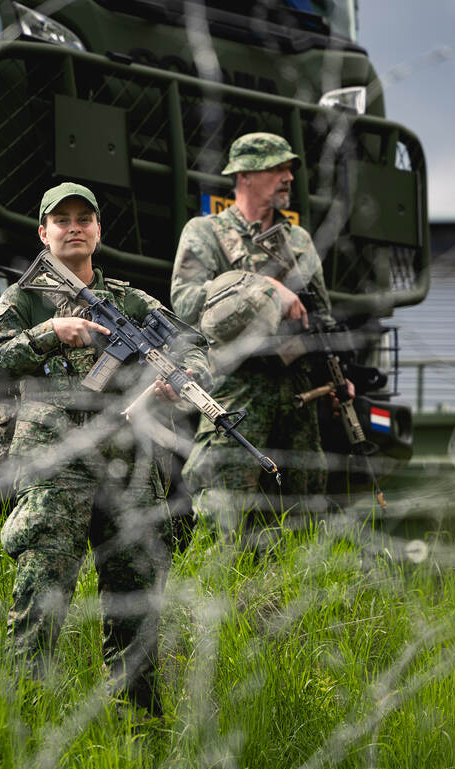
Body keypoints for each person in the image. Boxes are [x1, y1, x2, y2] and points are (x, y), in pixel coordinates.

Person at [0, 182, 208, 716]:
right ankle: (25, 717)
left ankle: (139, 726)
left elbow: (193, 344)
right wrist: (51, 332)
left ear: (99, 231)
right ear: (43, 233)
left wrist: (185, 377)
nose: (73, 227)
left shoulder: (129, 301)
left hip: (128, 464)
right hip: (53, 463)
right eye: (61, 220)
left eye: (84, 218)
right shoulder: (24, 299)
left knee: (139, 599)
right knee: (43, 594)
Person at [170, 132, 350, 533]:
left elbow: (320, 317)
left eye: (288, 169)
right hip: (237, 390)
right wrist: (266, 288)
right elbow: (185, 304)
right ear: (245, 176)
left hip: (298, 394)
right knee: (223, 514)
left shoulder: (299, 240)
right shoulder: (207, 232)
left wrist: (339, 378)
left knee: (300, 517)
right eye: (276, 168)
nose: (287, 177)